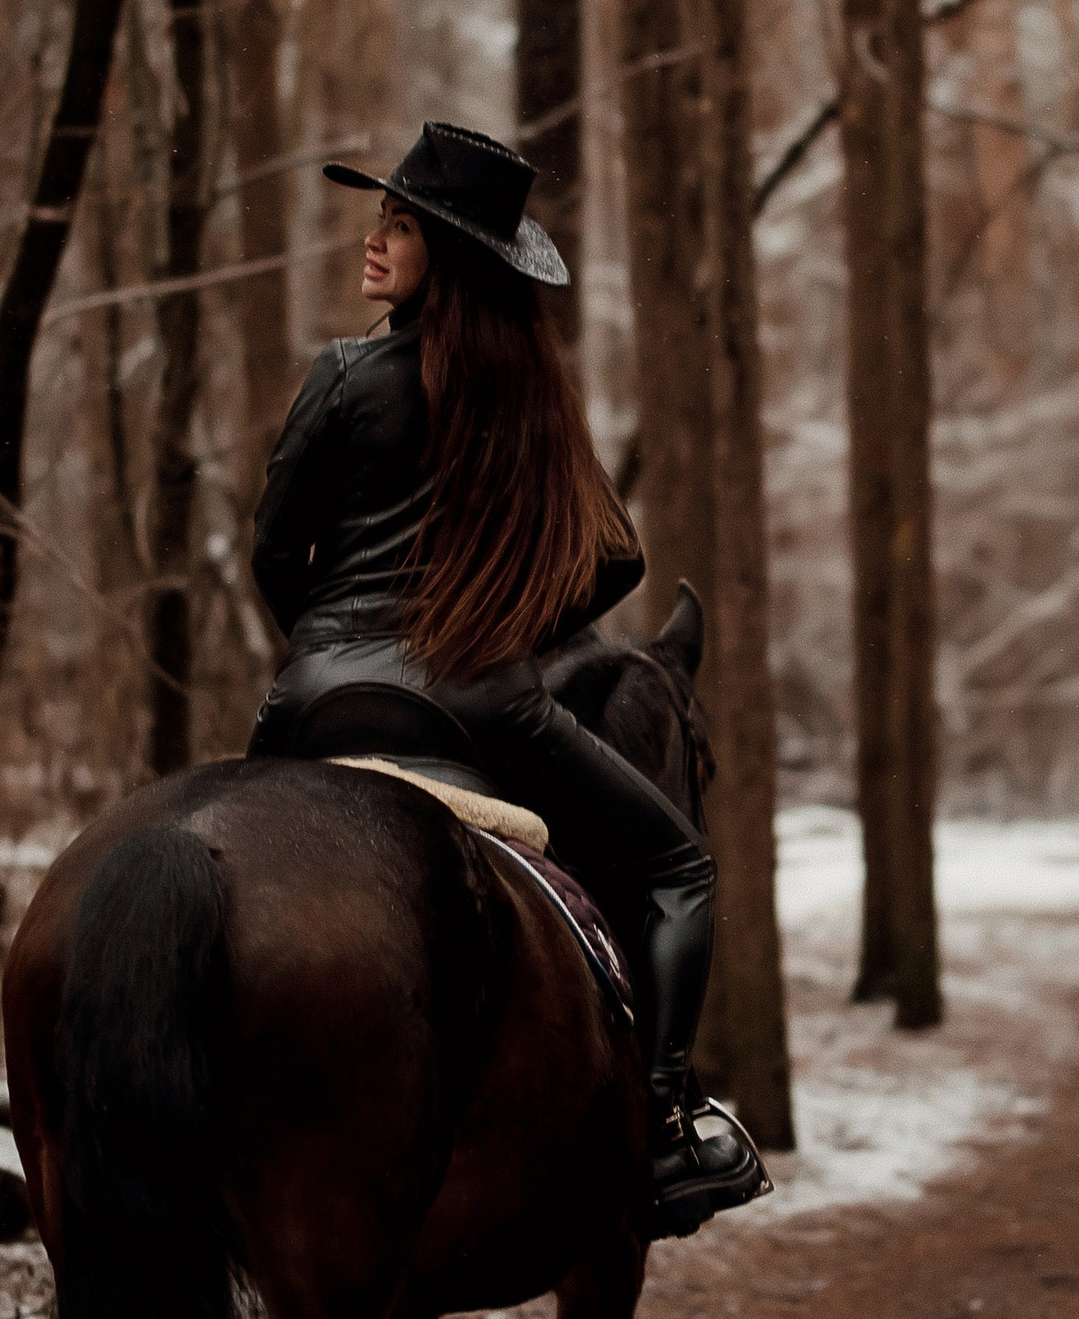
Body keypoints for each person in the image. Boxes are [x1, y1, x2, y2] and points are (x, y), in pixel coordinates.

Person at [246, 118, 768, 1241]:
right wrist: (499, 634)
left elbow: (272, 552)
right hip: (482, 701)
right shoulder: (531, 396)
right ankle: (665, 1125)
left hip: (314, 699)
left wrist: (330, 651)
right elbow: (618, 560)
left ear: (448, 253)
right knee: (680, 863)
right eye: (381, 218)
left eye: (400, 225)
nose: (375, 240)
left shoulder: (342, 375)